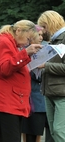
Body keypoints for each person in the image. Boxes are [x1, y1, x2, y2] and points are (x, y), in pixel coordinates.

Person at [0, 20, 42, 142]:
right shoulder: (4, 41)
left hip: (11, 100)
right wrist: (25, 53)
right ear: (18, 31)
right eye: (28, 39)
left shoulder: (9, 42)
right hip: (6, 100)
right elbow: (5, 68)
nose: (27, 43)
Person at [37, 10, 65, 142]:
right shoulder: (53, 41)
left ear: (50, 24)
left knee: (59, 131)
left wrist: (45, 66)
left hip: (62, 94)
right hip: (49, 92)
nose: (41, 31)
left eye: (43, 26)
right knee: (53, 131)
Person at [21, 25, 46, 142]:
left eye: (42, 35)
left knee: (37, 133)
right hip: (27, 98)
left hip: (41, 100)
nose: (41, 37)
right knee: (27, 133)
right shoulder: (24, 52)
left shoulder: (46, 51)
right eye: (38, 34)